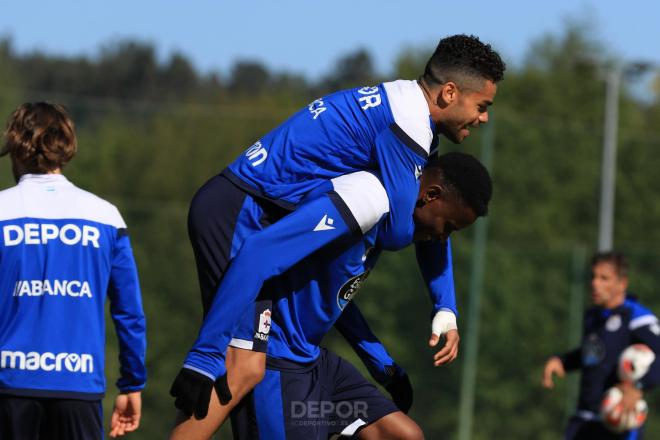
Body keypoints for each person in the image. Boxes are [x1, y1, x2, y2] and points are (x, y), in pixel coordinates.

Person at [171, 33, 505, 431]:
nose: (483, 118)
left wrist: (444, 307)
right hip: (239, 210)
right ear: (450, 92)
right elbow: (402, 228)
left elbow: (425, 218)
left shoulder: (413, 122)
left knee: (244, 367)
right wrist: (202, 355)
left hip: (251, 211)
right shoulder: (405, 129)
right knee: (241, 367)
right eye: (482, 106)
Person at [172, 152, 491, 439]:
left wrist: (383, 366)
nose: (441, 238)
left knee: (403, 435)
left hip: (316, 364)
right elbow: (258, 254)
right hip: (279, 364)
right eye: (447, 226)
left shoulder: (383, 229)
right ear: (431, 195)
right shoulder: (357, 206)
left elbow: (335, 301)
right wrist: (204, 357)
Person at [0, 102, 147, 439]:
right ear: (64, 150)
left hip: (9, 385)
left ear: (15, 148)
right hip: (78, 385)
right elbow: (129, 312)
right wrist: (131, 383)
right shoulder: (106, 216)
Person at [542, 251, 660, 439]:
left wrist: (638, 387)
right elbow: (595, 354)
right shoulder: (593, 316)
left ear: (622, 283)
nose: (595, 283)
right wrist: (563, 362)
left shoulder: (636, 317)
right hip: (585, 417)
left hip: (618, 420)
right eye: (593, 277)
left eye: (604, 278)